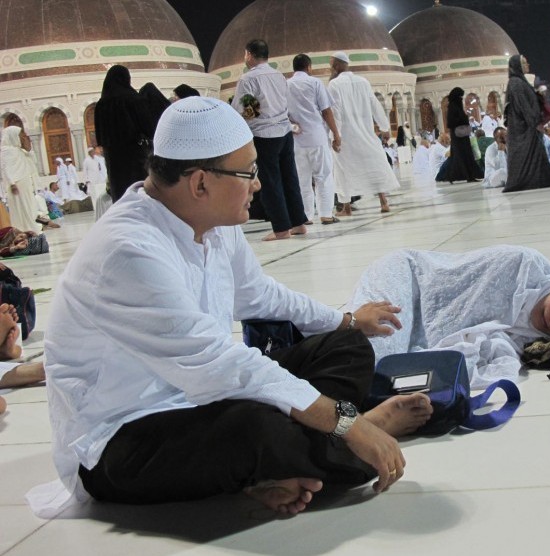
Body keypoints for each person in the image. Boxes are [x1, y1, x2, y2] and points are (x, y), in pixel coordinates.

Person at [29, 97, 432, 519]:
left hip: (203, 401)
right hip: (121, 438)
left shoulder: (212, 224)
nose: (258, 184)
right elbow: (217, 363)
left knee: (345, 348)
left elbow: (261, 294)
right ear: (200, 183)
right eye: (249, 173)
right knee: (258, 428)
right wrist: (345, 422)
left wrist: (347, 321)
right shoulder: (128, 250)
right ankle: (353, 439)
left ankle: (286, 464)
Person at [347, 245, 550, 388]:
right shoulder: (521, 264)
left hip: (415, 313)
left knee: (385, 372)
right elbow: (451, 290)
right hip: (409, 276)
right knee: (375, 345)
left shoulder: (536, 342)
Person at [232, 39, 307, 241]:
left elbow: (250, 111)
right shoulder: (279, 76)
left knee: (271, 182)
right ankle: (298, 223)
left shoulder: (248, 79)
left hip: (264, 135)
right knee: (289, 177)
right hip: (284, 132)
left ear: (249, 54)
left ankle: (281, 229)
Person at [327, 52, 398, 215]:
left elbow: (335, 112)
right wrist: (384, 127)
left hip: (346, 137)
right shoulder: (363, 82)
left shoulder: (334, 85)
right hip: (366, 134)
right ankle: (383, 202)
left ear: (337, 66)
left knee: (342, 170)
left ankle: (346, 208)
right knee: (375, 165)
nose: (330, 68)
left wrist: (335, 136)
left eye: (331, 65)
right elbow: (374, 104)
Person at [287, 53, 341, 225]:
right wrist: (336, 135)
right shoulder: (315, 82)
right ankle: (326, 214)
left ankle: (306, 216)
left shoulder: (285, 85)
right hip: (317, 137)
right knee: (323, 177)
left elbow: (281, 112)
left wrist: (291, 125)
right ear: (309, 67)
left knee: (302, 180)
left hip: (296, 140)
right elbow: (326, 111)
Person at [503, 55, 550, 192]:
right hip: (523, 129)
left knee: (536, 155)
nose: (528, 65)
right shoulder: (515, 83)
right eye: (524, 63)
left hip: (528, 128)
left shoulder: (519, 81)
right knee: (525, 155)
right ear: (517, 66)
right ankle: (526, 181)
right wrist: (534, 121)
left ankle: (542, 178)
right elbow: (523, 106)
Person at [94, 65, 156, 202]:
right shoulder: (133, 99)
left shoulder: (101, 104)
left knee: (119, 189)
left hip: (113, 157)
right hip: (134, 154)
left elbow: (100, 135)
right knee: (138, 189)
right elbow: (148, 127)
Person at [1, 126, 40, 232]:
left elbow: (33, 160)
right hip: (16, 184)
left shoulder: (18, 150)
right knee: (20, 207)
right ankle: (22, 228)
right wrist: (12, 183)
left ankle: (30, 226)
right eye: (19, 135)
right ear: (12, 136)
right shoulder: (6, 150)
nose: (21, 137)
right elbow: (5, 168)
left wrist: (29, 147)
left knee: (28, 205)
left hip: (24, 181)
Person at [440, 87, 483, 184]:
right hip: (458, 137)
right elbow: (451, 123)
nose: (461, 98)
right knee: (459, 156)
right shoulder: (452, 107)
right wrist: (463, 120)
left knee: (465, 155)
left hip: (463, 136)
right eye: (460, 96)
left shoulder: (457, 106)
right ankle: (454, 176)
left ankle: (470, 176)